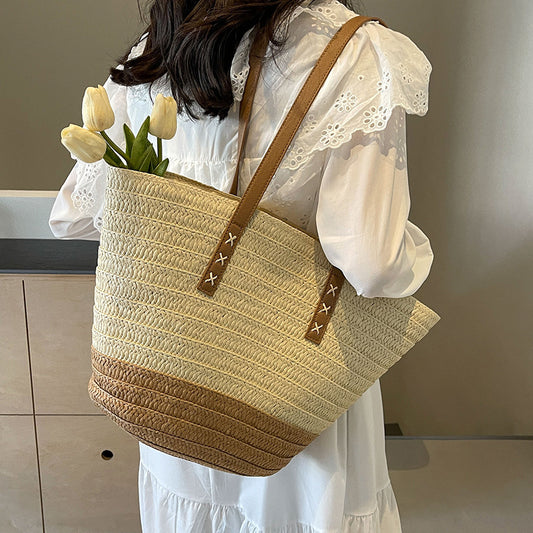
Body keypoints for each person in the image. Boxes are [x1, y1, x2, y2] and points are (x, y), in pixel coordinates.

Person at [49, 0, 434, 530]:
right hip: (292, 378)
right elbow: (370, 261)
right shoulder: (354, 54)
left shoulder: (159, 51)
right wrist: (415, 253)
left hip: (174, 373)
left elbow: (73, 215)